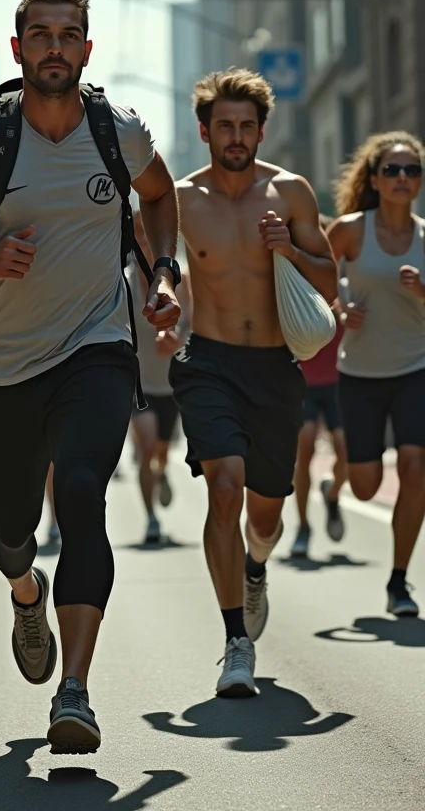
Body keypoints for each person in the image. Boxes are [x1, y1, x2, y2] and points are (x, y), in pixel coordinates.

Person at [0, 0, 180, 754]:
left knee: (84, 495)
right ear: (19, 47)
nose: (55, 47)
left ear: (87, 50)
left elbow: (158, 199)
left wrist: (161, 276)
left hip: (97, 347)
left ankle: (76, 692)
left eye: (69, 35)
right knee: (11, 532)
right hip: (2, 366)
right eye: (41, 34)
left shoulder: (119, 131)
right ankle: (25, 593)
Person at [171, 68, 336, 697]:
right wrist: (161, 308)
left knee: (265, 516)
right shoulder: (183, 200)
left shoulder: (291, 193)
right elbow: (144, 266)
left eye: (246, 126)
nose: (235, 137)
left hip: (274, 368)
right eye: (224, 127)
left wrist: (289, 251)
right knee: (225, 485)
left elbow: (328, 283)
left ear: (262, 130)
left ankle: (256, 566)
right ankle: (235, 640)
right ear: (205, 131)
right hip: (208, 361)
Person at [327, 131, 425, 617]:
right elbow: (315, 278)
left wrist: (423, 292)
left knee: (415, 466)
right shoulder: (349, 230)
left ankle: (399, 580)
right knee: (365, 484)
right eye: (393, 170)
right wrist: (342, 308)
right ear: (375, 179)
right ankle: (336, 487)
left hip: (416, 369)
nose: (403, 178)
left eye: (412, 171)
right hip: (360, 373)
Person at [129, 211, 188, 544]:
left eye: (148, 232)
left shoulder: (184, 281)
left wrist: (181, 341)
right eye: (137, 233)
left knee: (162, 450)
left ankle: (163, 472)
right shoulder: (120, 281)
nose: (143, 240)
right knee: (147, 446)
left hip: (171, 385)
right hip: (138, 386)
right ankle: (151, 517)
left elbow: (198, 327)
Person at [290, 255, 347, 560]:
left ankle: (333, 494)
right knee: (305, 446)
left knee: (347, 452)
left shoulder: (342, 283)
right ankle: (302, 526)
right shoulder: (294, 284)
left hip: (337, 383)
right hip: (304, 385)